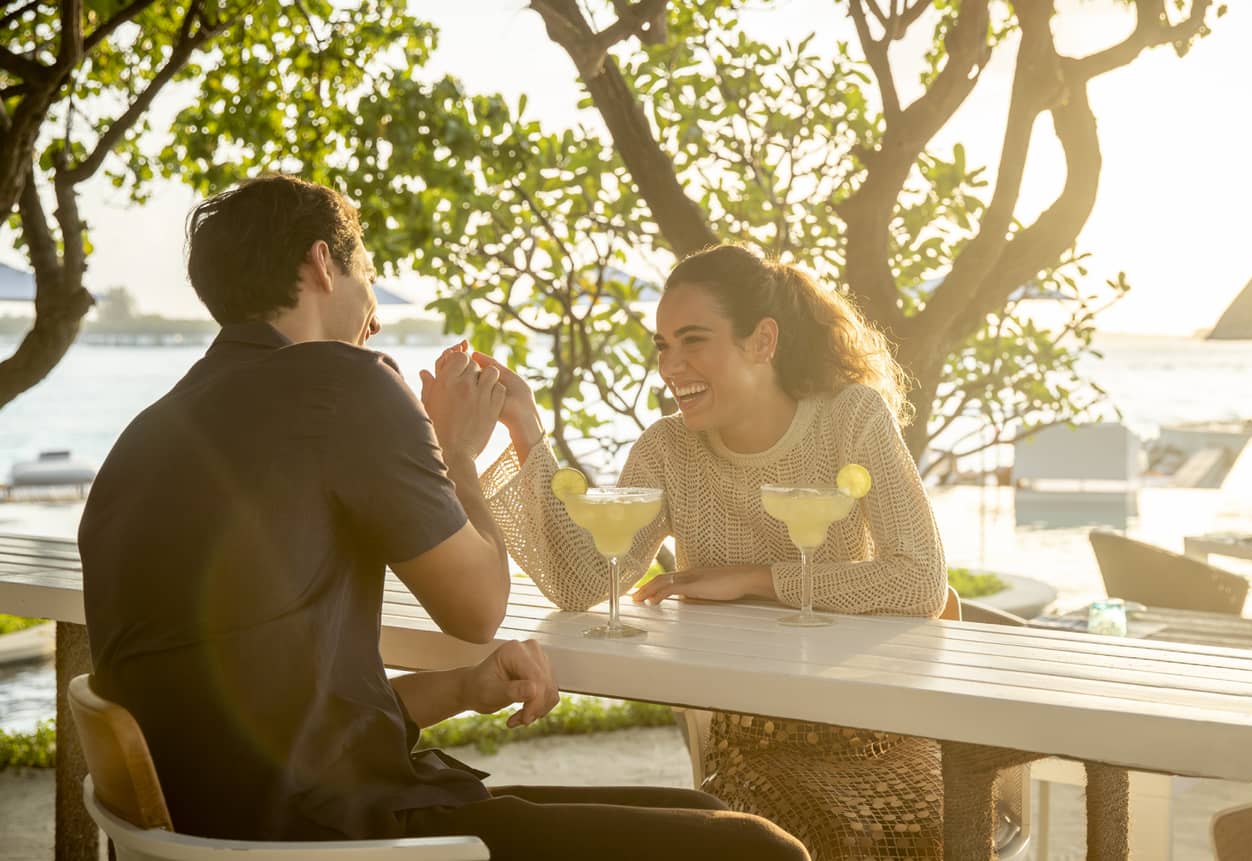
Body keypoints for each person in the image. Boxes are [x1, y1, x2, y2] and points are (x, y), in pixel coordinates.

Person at [78, 176, 805, 860]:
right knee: (762, 851)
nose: (378, 311)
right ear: (322, 263)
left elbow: (274, 716)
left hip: (232, 830)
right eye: (367, 271)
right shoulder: (348, 382)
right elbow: (479, 607)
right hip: (341, 837)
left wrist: (463, 688)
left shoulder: (149, 434)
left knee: (696, 809)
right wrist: (457, 450)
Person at [473, 244, 949, 858]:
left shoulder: (851, 418)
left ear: (763, 341)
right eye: (662, 346)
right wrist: (526, 431)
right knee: (769, 833)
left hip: (872, 734)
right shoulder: (668, 449)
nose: (671, 365)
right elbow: (584, 583)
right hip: (748, 745)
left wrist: (753, 578)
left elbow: (920, 582)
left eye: (693, 340)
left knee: (873, 835)